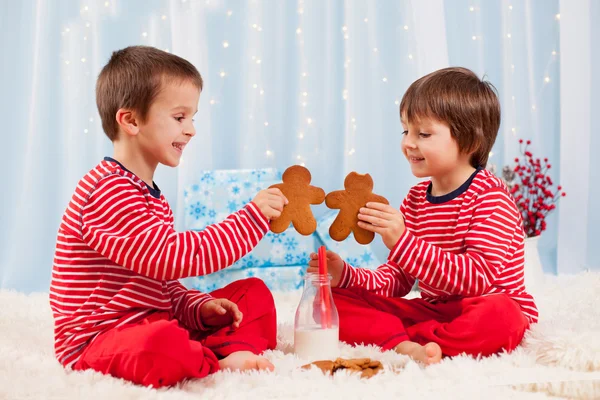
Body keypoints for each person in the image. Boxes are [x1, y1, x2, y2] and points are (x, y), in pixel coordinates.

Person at [49, 46, 288, 387]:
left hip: (153, 318)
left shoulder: (148, 193)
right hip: (100, 339)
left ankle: (219, 348)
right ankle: (215, 360)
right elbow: (170, 259)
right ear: (131, 120)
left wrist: (198, 307)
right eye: (179, 118)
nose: (191, 130)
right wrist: (250, 220)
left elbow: (161, 285)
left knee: (253, 296)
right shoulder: (105, 191)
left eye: (192, 118)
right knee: (160, 345)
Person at [309, 67, 537, 365]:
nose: (408, 143)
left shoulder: (491, 197)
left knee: (503, 315)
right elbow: (398, 280)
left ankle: (426, 339)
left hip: (485, 307)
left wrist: (403, 242)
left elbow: (478, 279)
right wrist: (347, 276)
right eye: (406, 130)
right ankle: (411, 343)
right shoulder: (416, 199)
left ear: (470, 142)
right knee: (331, 303)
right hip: (433, 310)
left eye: (423, 133)